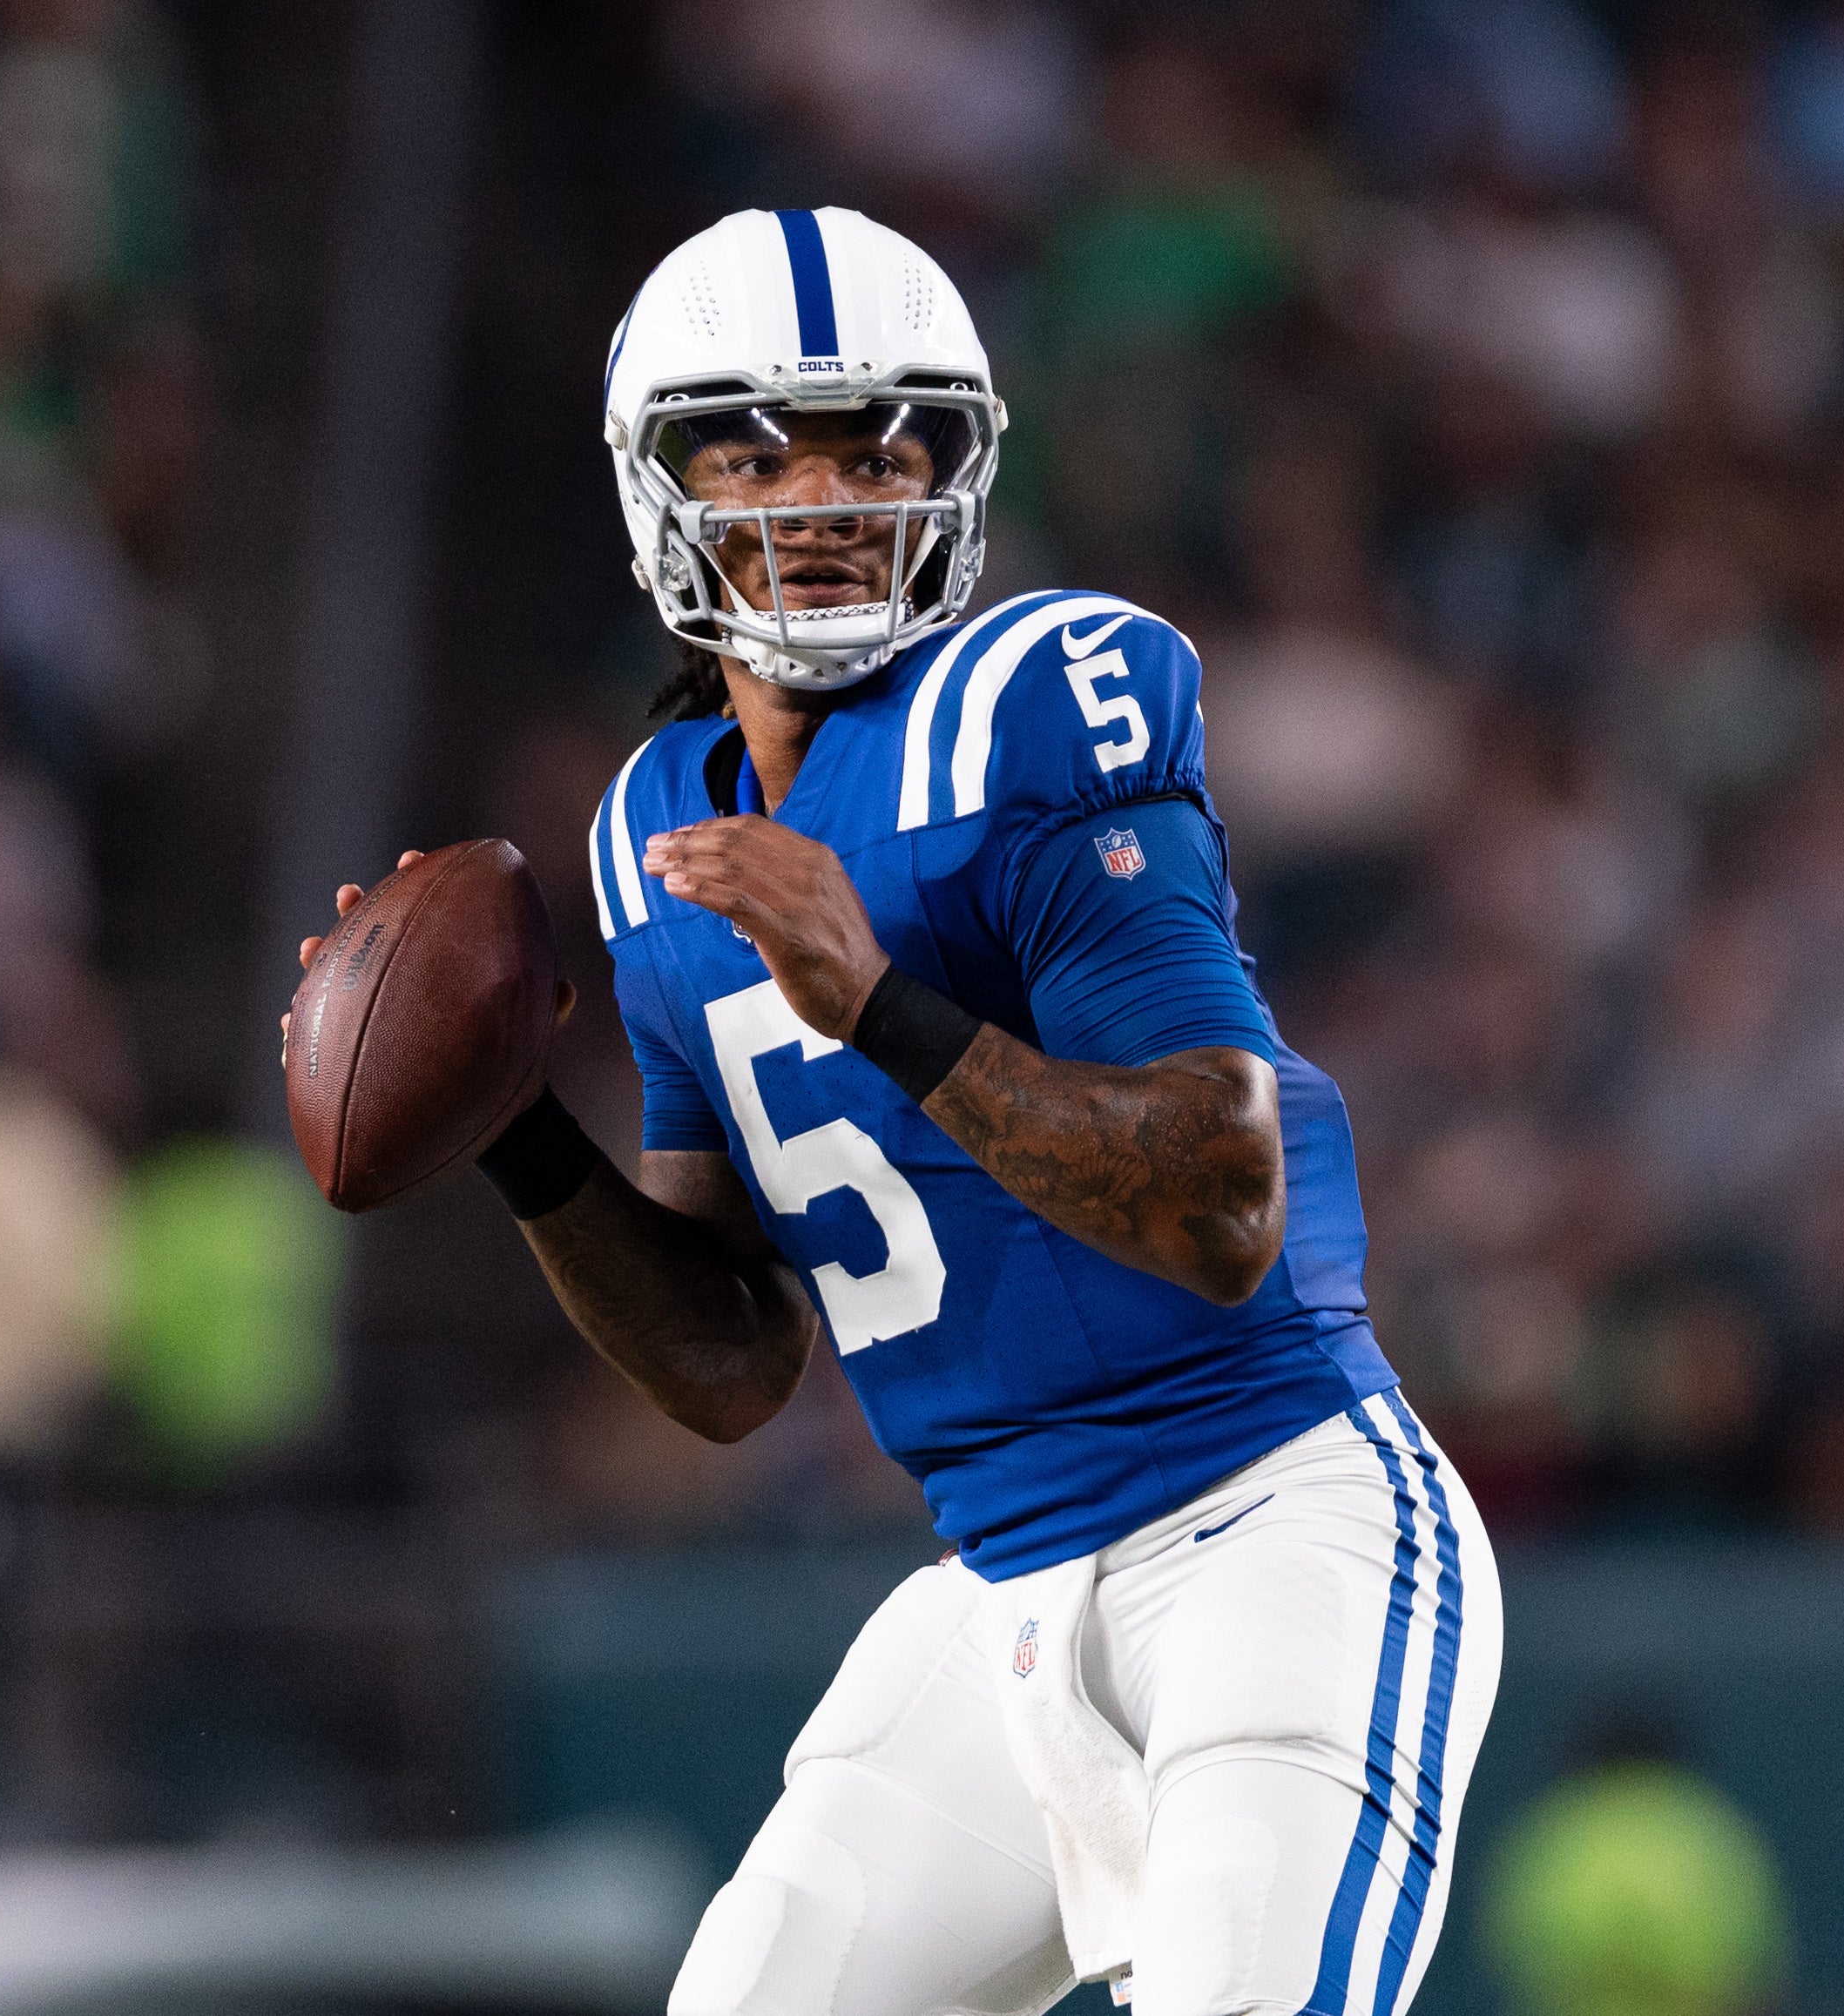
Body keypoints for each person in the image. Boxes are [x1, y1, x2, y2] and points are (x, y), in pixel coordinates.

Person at [293, 207, 1501, 2016]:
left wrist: (879, 1004)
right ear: (658, 491)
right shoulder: (652, 827)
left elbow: (1220, 1204)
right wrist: (517, 1132)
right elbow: (731, 1363)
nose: (825, 499)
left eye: (877, 450)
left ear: (956, 473)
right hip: (997, 1591)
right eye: (754, 455)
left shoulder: (1040, 703)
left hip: (1271, 1529)